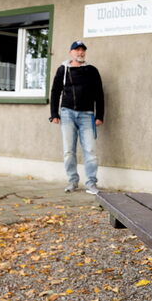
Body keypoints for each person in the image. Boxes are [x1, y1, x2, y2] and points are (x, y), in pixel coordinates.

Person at [49, 40, 105, 195]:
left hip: (87, 115)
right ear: (70, 53)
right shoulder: (63, 70)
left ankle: (91, 183)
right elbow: (55, 92)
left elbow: (99, 94)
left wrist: (99, 115)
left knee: (91, 151)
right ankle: (72, 181)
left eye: (82, 50)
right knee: (68, 151)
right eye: (77, 50)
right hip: (67, 114)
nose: (80, 53)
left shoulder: (92, 70)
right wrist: (54, 113)